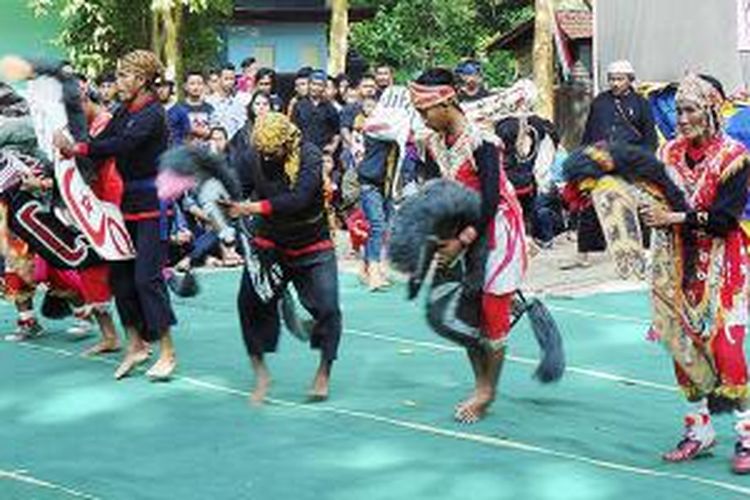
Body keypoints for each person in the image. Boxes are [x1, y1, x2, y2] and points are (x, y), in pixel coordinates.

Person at [640, 73, 750, 474]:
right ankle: (699, 429)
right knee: (683, 347)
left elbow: (724, 219)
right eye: (678, 110)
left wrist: (673, 216)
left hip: (723, 262)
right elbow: (653, 194)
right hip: (676, 264)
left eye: (689, 110)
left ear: (709, 111)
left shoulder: (734, 155)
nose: (681, 118)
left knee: (725, 349)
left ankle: (746, 435)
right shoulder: (668, 152)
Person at [409, 68, 527, 423]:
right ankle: (481, 383)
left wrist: (460, 242)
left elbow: (490, 202)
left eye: (425, 110)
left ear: (446, 102)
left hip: (497, 231)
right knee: (465, 317)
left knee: (491, 316)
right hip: (462, 231)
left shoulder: (483, 141)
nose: (422, 118)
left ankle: (486, 393)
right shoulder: (430, 142)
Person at [55, 50, 178, 381]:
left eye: (124, 76)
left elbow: (123, 144)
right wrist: (69, 143)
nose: (118, 82)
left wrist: (78, 148)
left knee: (147, 278)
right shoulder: (124, 110)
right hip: (126, 204)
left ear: (141, 80)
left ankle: (167, 351)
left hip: (152, 202)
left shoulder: (154, 114)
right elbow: (102, 140)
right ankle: (135, 345)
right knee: (121, 277)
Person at [222, 112, 342, 404]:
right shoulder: (254, 155)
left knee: (327, 307)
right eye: (261, 150)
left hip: (312, 243)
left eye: (272, 151)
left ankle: (324, 371)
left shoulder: (310, 156)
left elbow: (298, 199)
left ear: (287, 142)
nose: (266, 156)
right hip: (269, 243)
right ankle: (261, 373)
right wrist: (223, 204)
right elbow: (240, 187)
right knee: (248, 303)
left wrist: (249, 209)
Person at [570, 60, 658, 268]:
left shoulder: (641, 104)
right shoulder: (600, 102)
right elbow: (590, 133)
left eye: (620, 79)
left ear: (629, 80)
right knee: (591, 206)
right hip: (602, 162)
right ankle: (585, 253)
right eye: (612, 79)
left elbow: (650, 138)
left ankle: (644, 250)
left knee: (638, 205)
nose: (615, 83)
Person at [291, 69, 341, 155]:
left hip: (323, 151)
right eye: (313, 84)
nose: (316, 88)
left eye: (320, 85)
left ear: (324, 87)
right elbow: (293, 129)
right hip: (303, 150)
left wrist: (333, 146)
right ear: (309, 85)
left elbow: (337, 131)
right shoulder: (299, 105)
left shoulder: (330, 108)